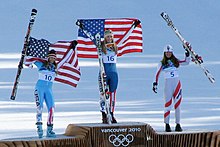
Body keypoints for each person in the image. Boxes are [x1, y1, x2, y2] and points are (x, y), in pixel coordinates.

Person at [152, 44, 190, 132]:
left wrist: (187, 55)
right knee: (168, 105)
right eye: (166, 52)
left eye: (170, 52)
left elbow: (186, 62)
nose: (168, 54)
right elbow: (157, 73)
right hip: (168, 84)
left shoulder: (175, 61)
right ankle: (167, 124)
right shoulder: (162, 63)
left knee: (177, 104)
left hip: (176, 84)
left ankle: (178, 124)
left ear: (172, 53)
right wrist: (155, 83)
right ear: (164, 53)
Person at [34, 49, 57, 138]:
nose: (52, 59)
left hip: (49, 90)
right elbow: (29, 61)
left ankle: (49, 130)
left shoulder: (55, 67)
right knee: (39, 107)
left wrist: (72, 48)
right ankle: (39, 128)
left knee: (52, 108)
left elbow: (66, 59)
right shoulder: (41, 65)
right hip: (39, 88)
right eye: (50, 57)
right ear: (47, 57)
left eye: (53, 57)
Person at [99, 29, 118, 124]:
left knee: (113, 95)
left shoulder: (115, 47)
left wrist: (133, 26)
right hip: (104, 73)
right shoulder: (101, 47)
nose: (109, 38)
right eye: (107, 37)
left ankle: (111, 113)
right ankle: (104, 114)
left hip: (114, 74)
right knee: (104, 95)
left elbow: (125, 37)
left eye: (111, 36)